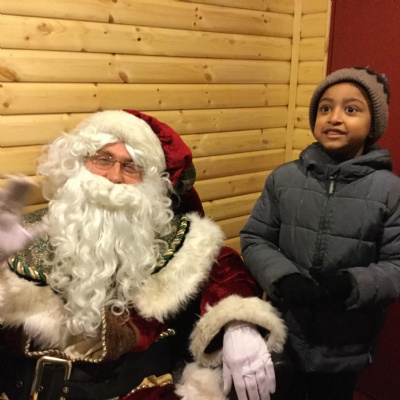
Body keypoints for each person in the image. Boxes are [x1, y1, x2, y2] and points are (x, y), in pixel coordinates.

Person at [0, 109, 287, 400]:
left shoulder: (175, 239)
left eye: (131, 167)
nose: (114, 177)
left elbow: (227, 271)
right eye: (103, 159)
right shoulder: (23, 237)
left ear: (149, 182)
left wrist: (238, 324)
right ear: (78, 163)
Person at [240, 67, 400, 400]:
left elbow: (396, 265)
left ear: (373, 125)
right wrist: (282, 278)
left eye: (351, 109)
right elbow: (255, 238)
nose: (335, 117)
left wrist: (349, 284)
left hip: (344, 344)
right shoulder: (284, 179)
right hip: (283, 331)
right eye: (326, 108)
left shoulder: (390, 192)